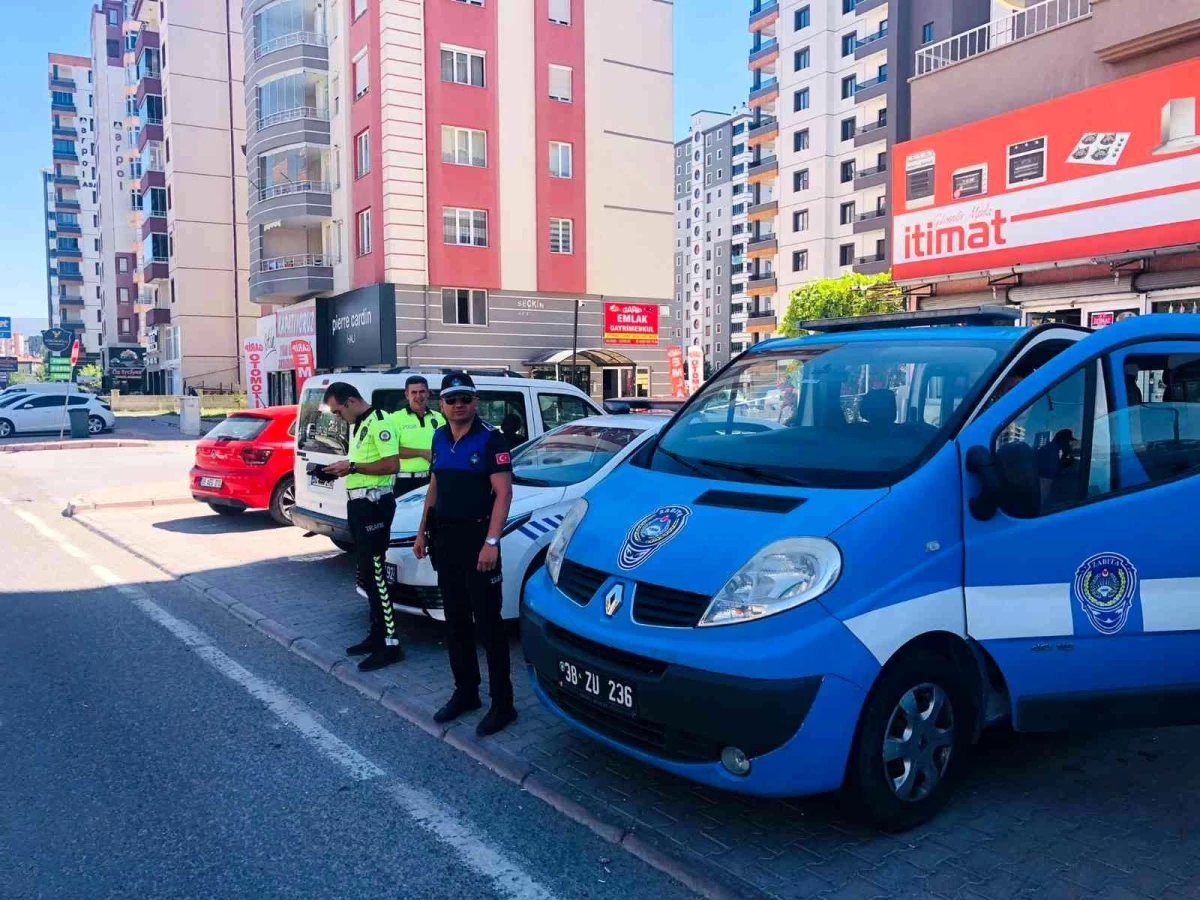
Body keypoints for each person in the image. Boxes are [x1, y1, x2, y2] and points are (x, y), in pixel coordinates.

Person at [413, 373, 516, 736]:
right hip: (446, 539)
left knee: (488, 624)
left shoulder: (491, 438)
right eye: (453, 399)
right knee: (455, 621)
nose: (460, 405)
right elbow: (435, 484)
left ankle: (503, 704)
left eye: (466, 399)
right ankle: (466, 692)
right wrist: (422, 531)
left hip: (478, 540)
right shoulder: (439, 437)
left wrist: (492, 542)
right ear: (441, 404)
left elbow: (503, 494)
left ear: (476, 402)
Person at [321, 382, 405, 672]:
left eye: (338, 411)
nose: (338, 417)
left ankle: (391, 643)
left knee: (377, 574)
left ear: (351, 401)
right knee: (367, 574)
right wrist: (345, 466)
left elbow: (392, 464)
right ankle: (377, 634)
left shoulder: (381, 421)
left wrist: (353, 468)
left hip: (374, 506)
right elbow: (365, 462)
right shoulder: (361, 424)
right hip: (358, 505)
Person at [391, 375, 442, 499]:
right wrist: (421, 453)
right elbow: (389, 451)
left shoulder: (439, 418)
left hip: (433, 480)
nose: (418, 396)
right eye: (414, 392)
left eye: (422, 392)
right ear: (407, 395)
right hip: (404, 483)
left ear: (428, 393)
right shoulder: (394, 419)